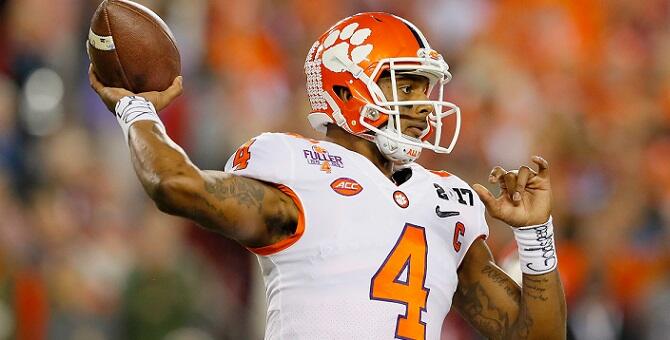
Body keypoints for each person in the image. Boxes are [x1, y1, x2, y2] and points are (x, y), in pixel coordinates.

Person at [89, 12, 566, 339]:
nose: (422, 104)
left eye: (425, 87)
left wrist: (535, 235)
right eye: (404, 84)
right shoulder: (298, 170)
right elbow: (174, 185)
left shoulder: (448, 200)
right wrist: (136, 110)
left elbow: (534, 336)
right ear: (346, 83)